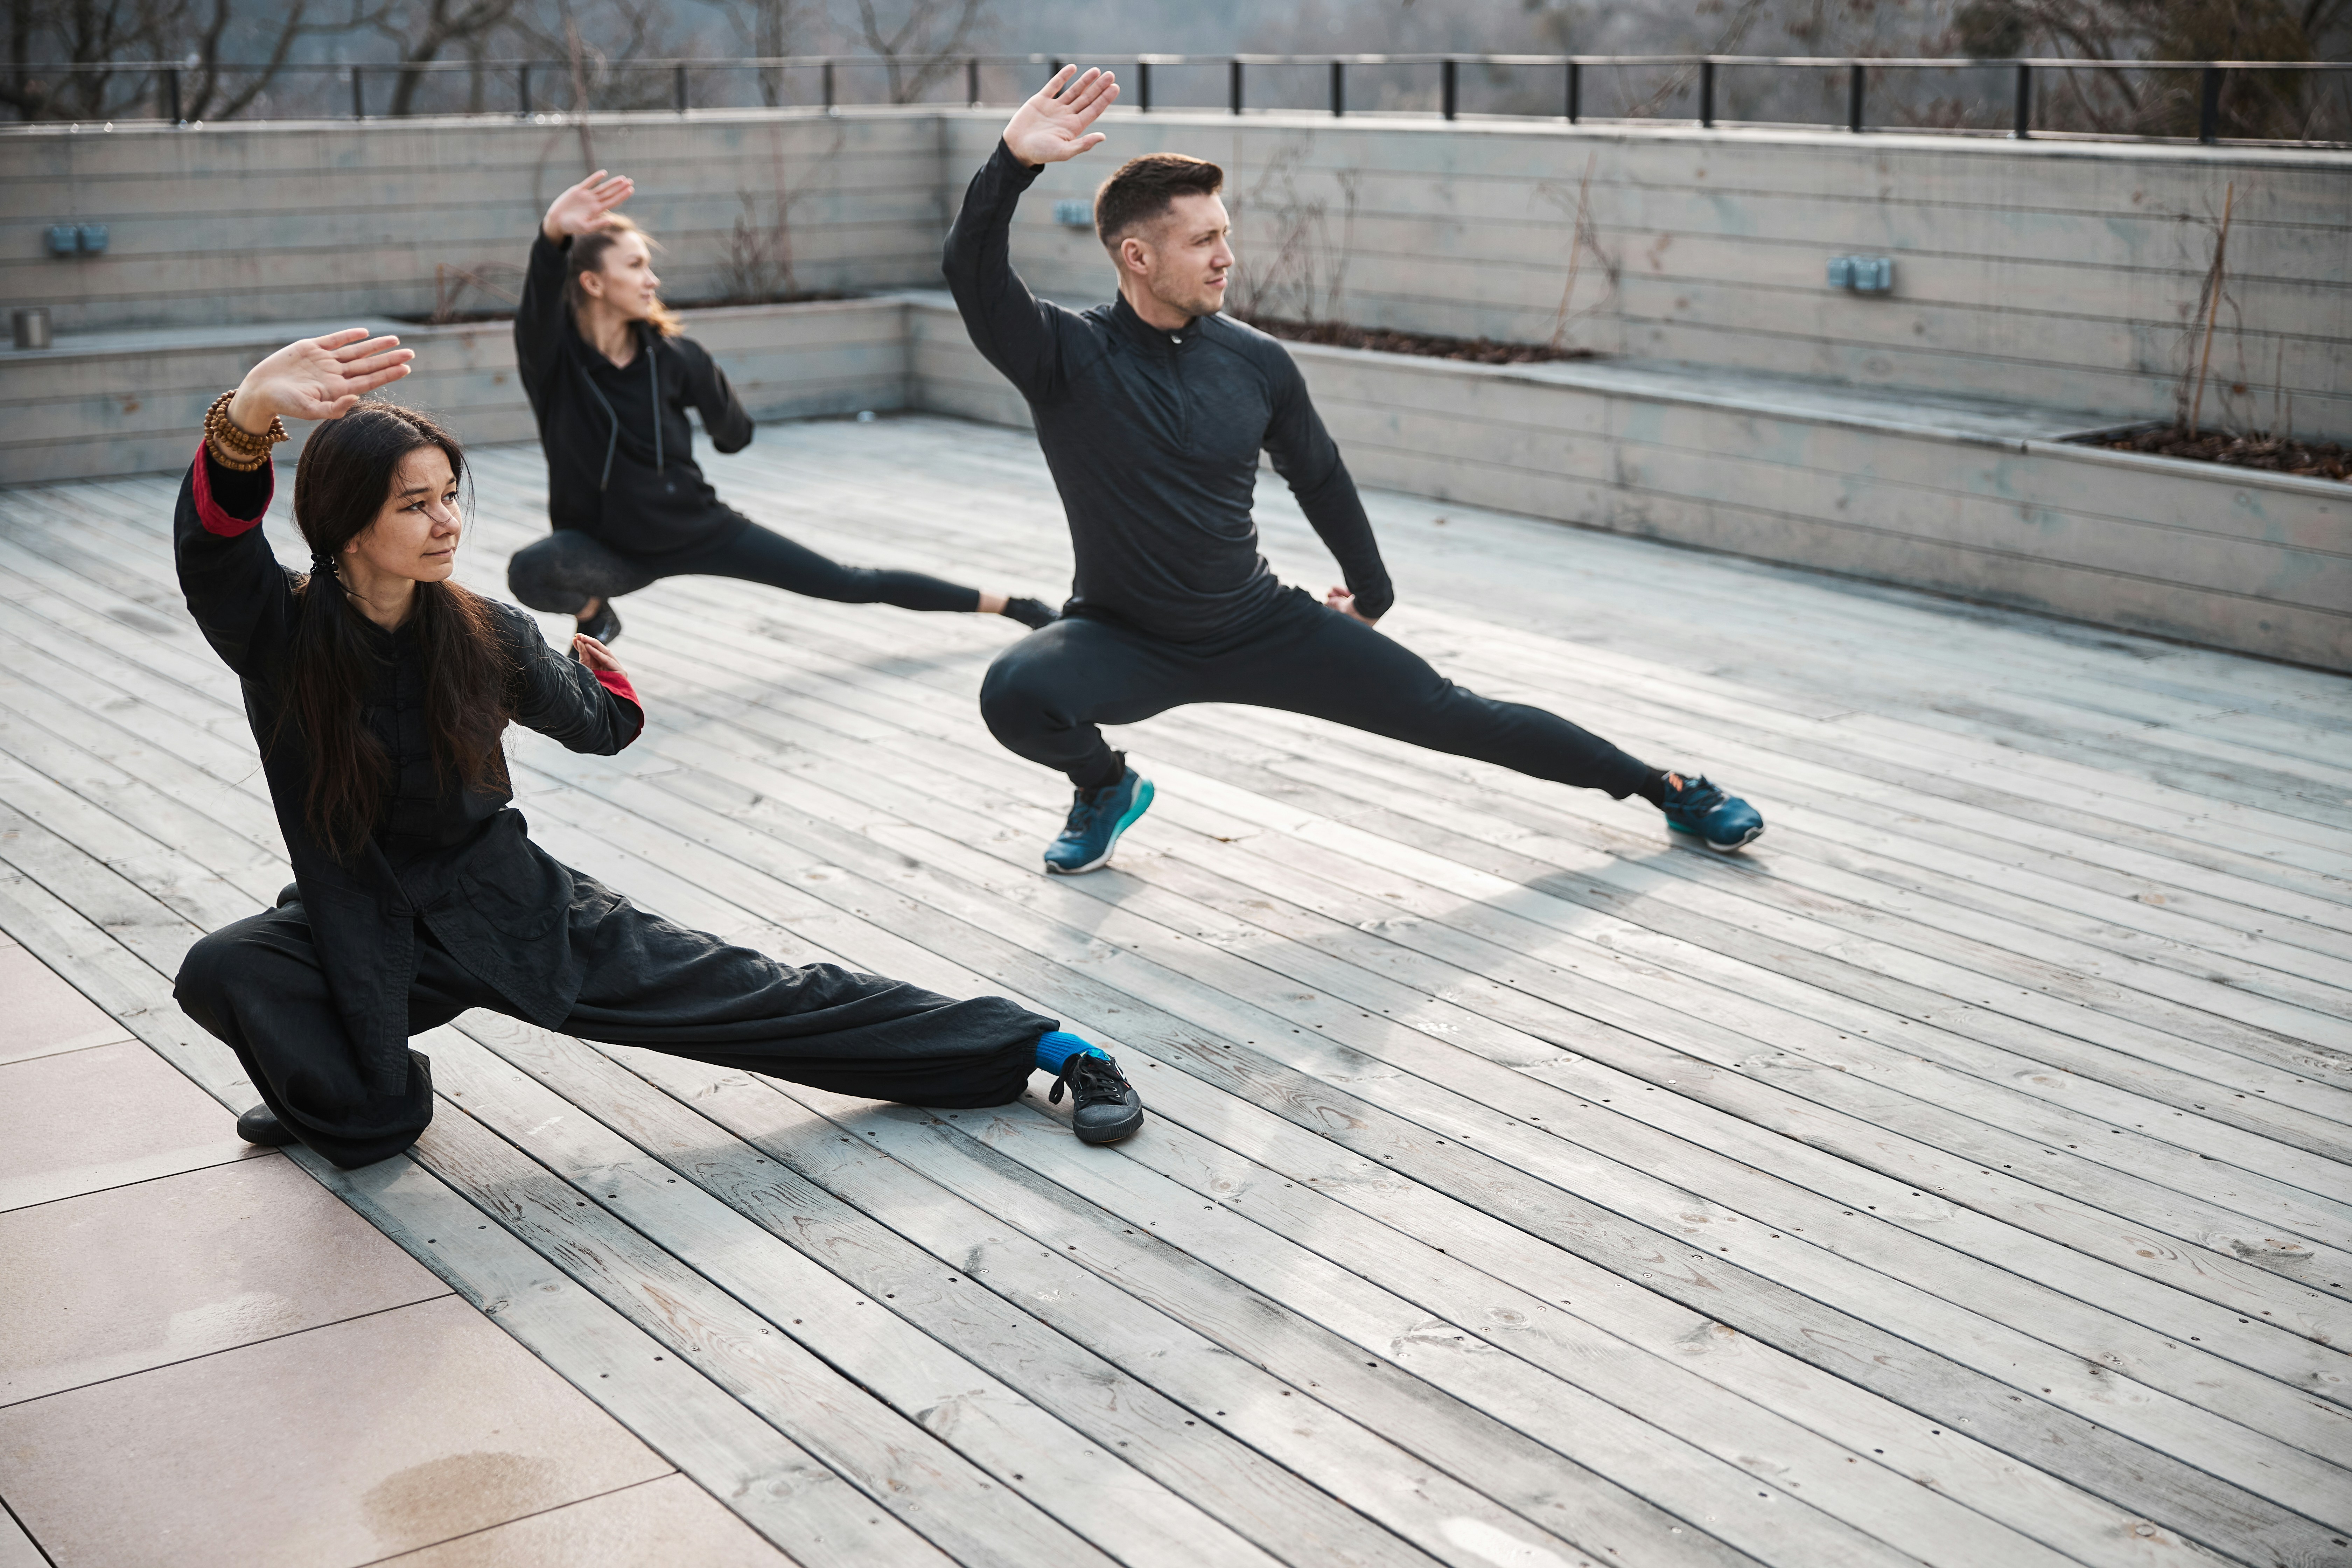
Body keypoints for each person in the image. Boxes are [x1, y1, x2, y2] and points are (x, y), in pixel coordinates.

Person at [169, 331, 1144, 1168]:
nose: (447, 522)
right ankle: (358, 1101)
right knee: (230, 969)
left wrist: (610, 684)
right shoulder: (281, 634)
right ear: (346, 523)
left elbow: (601, 729)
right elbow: (215, 545)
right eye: (414, 504)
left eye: (448, 496)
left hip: (511, 911)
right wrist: (252, 411)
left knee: (759, 996)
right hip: (360, 924)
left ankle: (1047, 1047)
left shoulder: (488, 632)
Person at [944, 68, 1765, 876]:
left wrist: (1371, 592)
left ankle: (1664, 786)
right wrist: (1013, 163)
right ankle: (1105, 787)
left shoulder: (1256, 362)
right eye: (1204, 241)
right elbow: (971, 273)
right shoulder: (1063, 355)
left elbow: (1321, 476)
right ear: (1137, 256)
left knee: (1458, 714)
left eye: (1226, 233)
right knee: (1014, 691)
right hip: (1122, 636)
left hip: (1260, 623)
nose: (1228, 257)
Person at [506, 171, 1058, 649]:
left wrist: (708, 381)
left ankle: (1015, 605)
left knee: (850, 582)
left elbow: (734, 437)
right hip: (607, 548)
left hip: (697, 529)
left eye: (650, 265)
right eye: (636, 266)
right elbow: (537, 310)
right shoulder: (558, 366)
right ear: (593, 282)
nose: (652, 279)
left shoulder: (676, 358)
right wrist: (554, 234)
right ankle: (596, 616)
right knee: (531, 571)